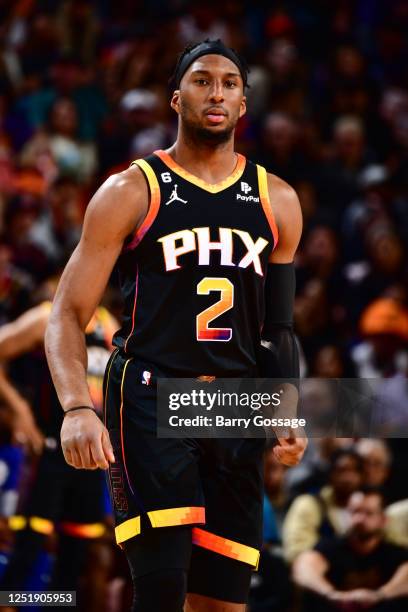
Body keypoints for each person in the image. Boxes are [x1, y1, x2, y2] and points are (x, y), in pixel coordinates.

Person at [45, 39, 307, 612]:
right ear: (175, 99)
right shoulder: (130, 190)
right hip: (150, 395)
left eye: (230, 83)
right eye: (202, 80)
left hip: (235, 408)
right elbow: (66, 312)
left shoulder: (277, 201)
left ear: (243, 104)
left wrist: (286, 407)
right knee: (162, 587)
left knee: (221, 603)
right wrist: (75, 407)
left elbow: (278, 330)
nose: (217, 91)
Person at [0, 279, 118, 602]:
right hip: (50, 449)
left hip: (91, 455)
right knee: (28, 549)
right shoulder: (46, 316)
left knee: (75, 557)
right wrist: (20, 410)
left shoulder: (109, 325)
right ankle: (8, 606)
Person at [293, 488, 408, 611]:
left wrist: (380, 595)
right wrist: (333, 595)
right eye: (355, 512)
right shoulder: (330, 547)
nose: (360, 519)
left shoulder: (394, 552)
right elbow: (303, 569)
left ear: (383, 520)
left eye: (369, 513)